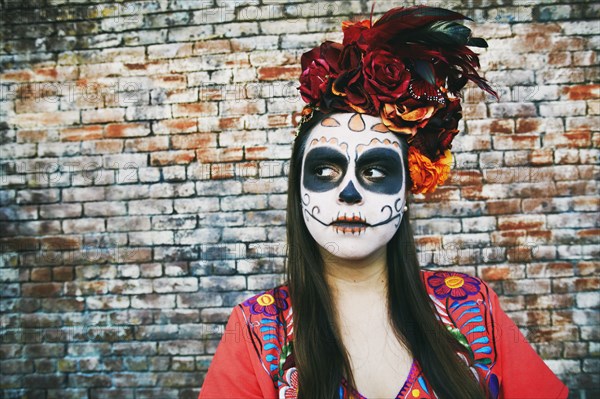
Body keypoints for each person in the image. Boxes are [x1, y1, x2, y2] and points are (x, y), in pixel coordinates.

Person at [198, 5, 569, 399]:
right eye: (325, 171)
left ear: (406, 192)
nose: (350, 192)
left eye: (376, 171)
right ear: (298, 191)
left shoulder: (473, 307)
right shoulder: (257, 330)